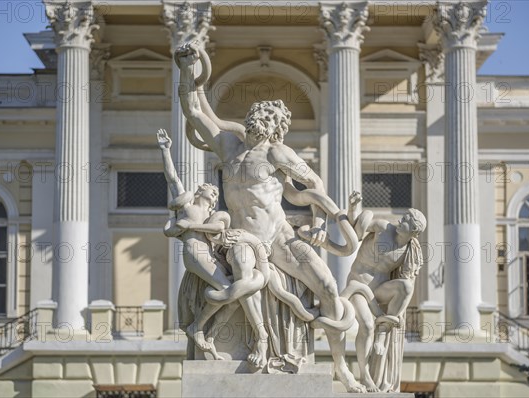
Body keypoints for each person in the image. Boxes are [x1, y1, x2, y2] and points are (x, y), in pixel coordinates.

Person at [175, 42, 364, 392]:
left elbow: (313, 184)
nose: (261, 117)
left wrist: (322, 222)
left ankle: (341, 367)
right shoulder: (228, 148)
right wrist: (188, 71)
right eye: (259, 113)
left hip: (279, 237)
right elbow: (193, 111)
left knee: (328, 287)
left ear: (278, 127)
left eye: (270, 116)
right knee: (245, 277)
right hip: (242, 238)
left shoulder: (278, 152)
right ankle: (251, 340)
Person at [157, 128, 271, 368]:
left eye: (215, 191)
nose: (214, 191)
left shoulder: (214, 216)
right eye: (211, 189)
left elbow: (217, 229)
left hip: (206, 253)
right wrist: (166, 150)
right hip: (194, 252)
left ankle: (201, 329)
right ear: (200, 192)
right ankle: (199, 329)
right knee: (229, 289)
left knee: (232, 290)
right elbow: (172, 179)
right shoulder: (186, 205)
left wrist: (189, 225)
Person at [341, 191, 426, 392]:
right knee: (367, 325)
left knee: (406, 286)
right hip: (358, 286)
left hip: (378, 292)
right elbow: (355, 231)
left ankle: (383, 332)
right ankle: (365, 376)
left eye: (406, 219)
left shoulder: (409, 252)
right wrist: (354, 208)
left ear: (413, 231)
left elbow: (407, 284)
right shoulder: (382, 227)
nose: (400, 219)